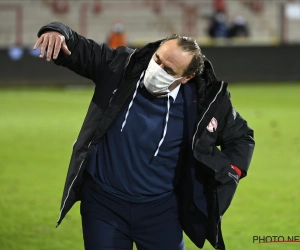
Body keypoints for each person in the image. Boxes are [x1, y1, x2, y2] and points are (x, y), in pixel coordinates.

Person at [33, 22, 255, 250]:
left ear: (187, 77)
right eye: (157, 59)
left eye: (169, 70)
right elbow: (80, 49)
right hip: (103, 206)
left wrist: (232, 172)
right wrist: (57, 32)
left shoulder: (205, 102)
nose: (157, 69)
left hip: (161, 213)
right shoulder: (121, 67)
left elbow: (241, 137)